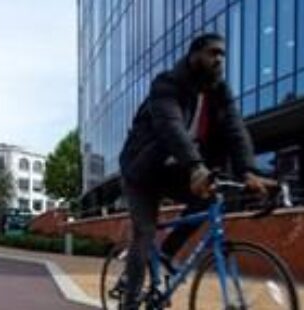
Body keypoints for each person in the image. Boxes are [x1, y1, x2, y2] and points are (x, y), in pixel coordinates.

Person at [117, 33, 276, 309]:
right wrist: (195, 167)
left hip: (179, 169)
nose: (219, 60)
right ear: (194, 55)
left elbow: (235, 130)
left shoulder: (219, 92)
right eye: (213, 53)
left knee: (210, 198)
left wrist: (248, 171)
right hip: (142, 170)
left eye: (222, 55)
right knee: (144, 232)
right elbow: (171, 126)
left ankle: (166, 253)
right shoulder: (167, 84)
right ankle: (129, 302)